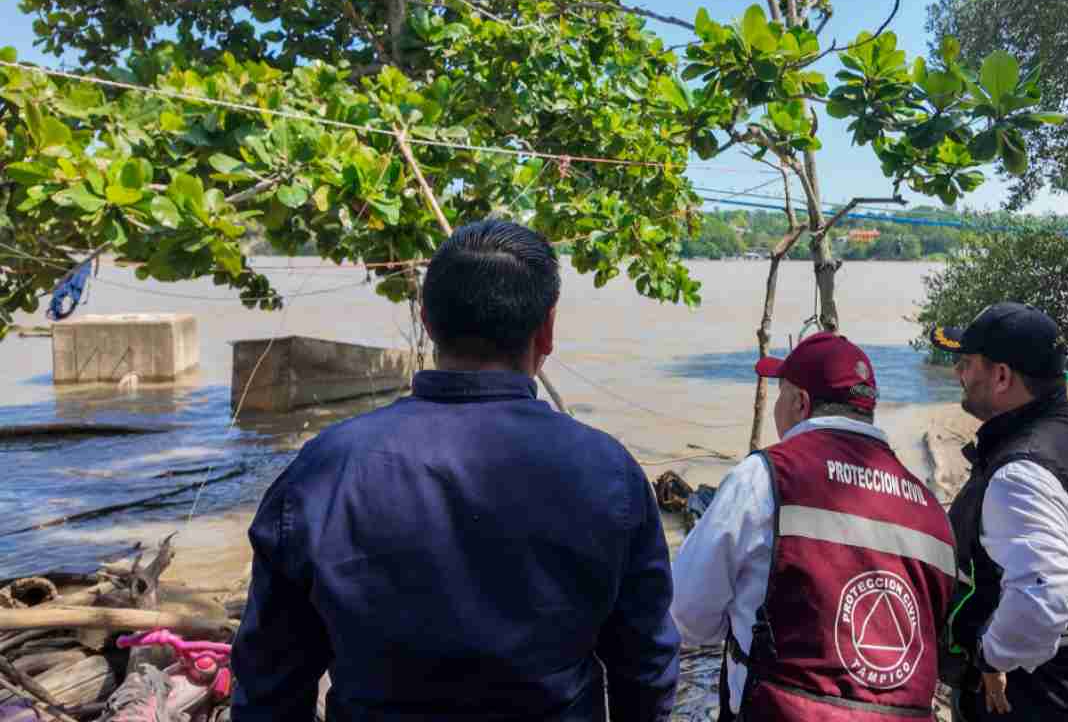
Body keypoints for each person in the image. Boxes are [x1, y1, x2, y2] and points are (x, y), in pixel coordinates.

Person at [231, 220, 680, 721]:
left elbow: (268, 680)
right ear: (547, 330)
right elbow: (644, 666)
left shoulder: (324, 469)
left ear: (426, 319)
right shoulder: (608, 473)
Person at [671, 332, 956, 721]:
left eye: (780, 394)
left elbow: (687, 612)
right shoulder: (928, 507)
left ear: (799, 403)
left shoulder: (765, 477)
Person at [930, 303, 1068, 721]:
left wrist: (991, 657)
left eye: (967, 364)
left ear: (1002, 376)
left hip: (1025, 695)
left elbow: (1042, 598)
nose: (957, 375)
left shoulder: (1023, 473)